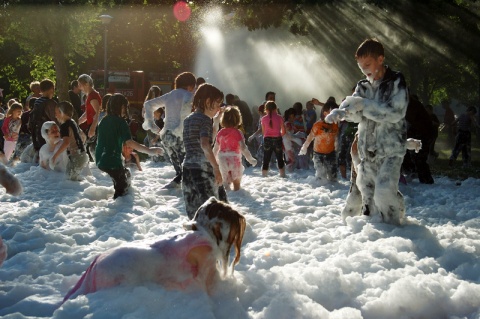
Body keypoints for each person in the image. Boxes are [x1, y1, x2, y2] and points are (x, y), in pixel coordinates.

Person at [62, 197, 246, 302]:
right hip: (121, 268)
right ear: (217, 228)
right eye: (232, 234)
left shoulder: (187, 238)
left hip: (111, 260)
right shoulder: (205, 248)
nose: (233, 240)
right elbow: (212, 291)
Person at [326, 38, 409, 225]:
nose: (364, 70)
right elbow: (356, 113)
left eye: (368, 64)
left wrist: (365, 105)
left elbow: (395, 113)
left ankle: (394, 230)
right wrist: (342, 113)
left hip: (391, 150)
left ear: (380, 59)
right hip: (368, 150)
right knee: (368, 194)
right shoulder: (362, 86)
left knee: (384, 191)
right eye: (361, 66)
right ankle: (376, 235)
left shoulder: (396, 81)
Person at [96, 94, 163, 199]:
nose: (126, 109)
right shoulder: (121, 122)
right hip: (112, 161)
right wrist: (149, 151)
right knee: (122, 192)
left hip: (100, 160)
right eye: (125, 106)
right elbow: (130, 142)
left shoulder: (103, 121)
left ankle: (114, 207)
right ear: (120, 106)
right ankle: (118, 210)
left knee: (126, 175)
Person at [143, 72, 196, 189]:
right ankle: (175, 190)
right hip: (178, 135)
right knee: (185, 169)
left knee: (178, 168)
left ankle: (171, 190)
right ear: (191, 86)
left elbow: (148, 104)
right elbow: (185, 114)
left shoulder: (170, 95)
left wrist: (151, 124)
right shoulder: (188, 96)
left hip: (166, 136)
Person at [182, 83, 227, 219]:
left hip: (188, 168)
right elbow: (205, 144)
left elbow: (207, 138)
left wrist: (216, 120)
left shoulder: (189, 119)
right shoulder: (205, 120)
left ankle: (195, 238)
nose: (219, 107)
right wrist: (216, 167)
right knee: (215, 210)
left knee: (194, 212)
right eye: (218, 103)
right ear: (208, 101)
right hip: (203, 169)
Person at [213, 106, 257, 191]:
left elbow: (216, 148)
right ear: (238, 119)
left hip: (222, 158)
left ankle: (227, 198)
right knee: (236, 183)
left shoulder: (220, 132)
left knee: (225, 183)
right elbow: (243, 148)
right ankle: (237, 195)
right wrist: (250, 159)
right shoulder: (237, 132)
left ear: (223, 119)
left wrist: (213, 160)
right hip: (234, 158)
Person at [300, 101, 339, 181]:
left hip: (331, 153)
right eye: (332, 113)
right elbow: (310, 137)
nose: (335, 116)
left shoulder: (335, 124)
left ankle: (332, 191)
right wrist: (304, 147)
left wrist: (337, 148)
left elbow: (336, 137)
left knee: (333, 176)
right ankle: (320, 190)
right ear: (325, 113)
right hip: (318, 154)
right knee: (321, 177)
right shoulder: (318, 125)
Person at [52, 102, 89, 181]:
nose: (55, 115)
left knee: (69, 180)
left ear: (62, 112)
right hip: (81, 155)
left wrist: (55, 156)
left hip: (77, 157)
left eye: (56, 113)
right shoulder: (72, 122)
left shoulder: (64, 126)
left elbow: (66, 143)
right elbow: (82, 136)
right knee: (71, 180)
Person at [402, 95, 434, 184]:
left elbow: (410, 119)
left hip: (422, 135)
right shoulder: (411, 104)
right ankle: (422, 178)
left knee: (419, 158)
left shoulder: (413, 105)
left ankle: (426, 180)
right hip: (419, 134)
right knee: (415, 158)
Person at [29, 79, 57, 156]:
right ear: (52, 89)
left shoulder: (37, 101)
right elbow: (55, 119)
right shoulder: (50, 103)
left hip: (37, 132)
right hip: (48, 134)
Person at [77, 74, 102, 161]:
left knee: (91, 149)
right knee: (90, 148)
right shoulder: (90, 95)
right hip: (93, 125)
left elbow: (97, 112)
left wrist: (93, 127)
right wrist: (76, 122)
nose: (79, 87)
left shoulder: (92, 96)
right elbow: (87, 114)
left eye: (80, 85)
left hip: (95, 125)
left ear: (86, 84)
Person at [261, 101, 286, 178]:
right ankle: (282, 175)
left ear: (266, 109)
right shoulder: (280, 117)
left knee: (266, 158)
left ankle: (264, 176)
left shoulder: (263, 119)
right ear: (276, 109)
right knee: (280, 158)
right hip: (277, 139)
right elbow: (284, 131)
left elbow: (263, 132)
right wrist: (279, 135)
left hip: (267, 139)